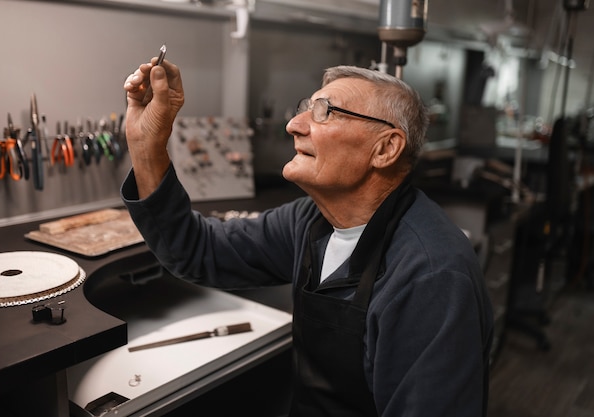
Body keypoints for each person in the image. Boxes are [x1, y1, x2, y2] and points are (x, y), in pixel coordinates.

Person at [122, 57, 493, 417]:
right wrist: (146, 146)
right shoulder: (310, 220)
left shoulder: (431, 277)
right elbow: (197, 251)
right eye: (306, 108)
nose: (294, 125)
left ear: (385, 149)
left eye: (325, 111)